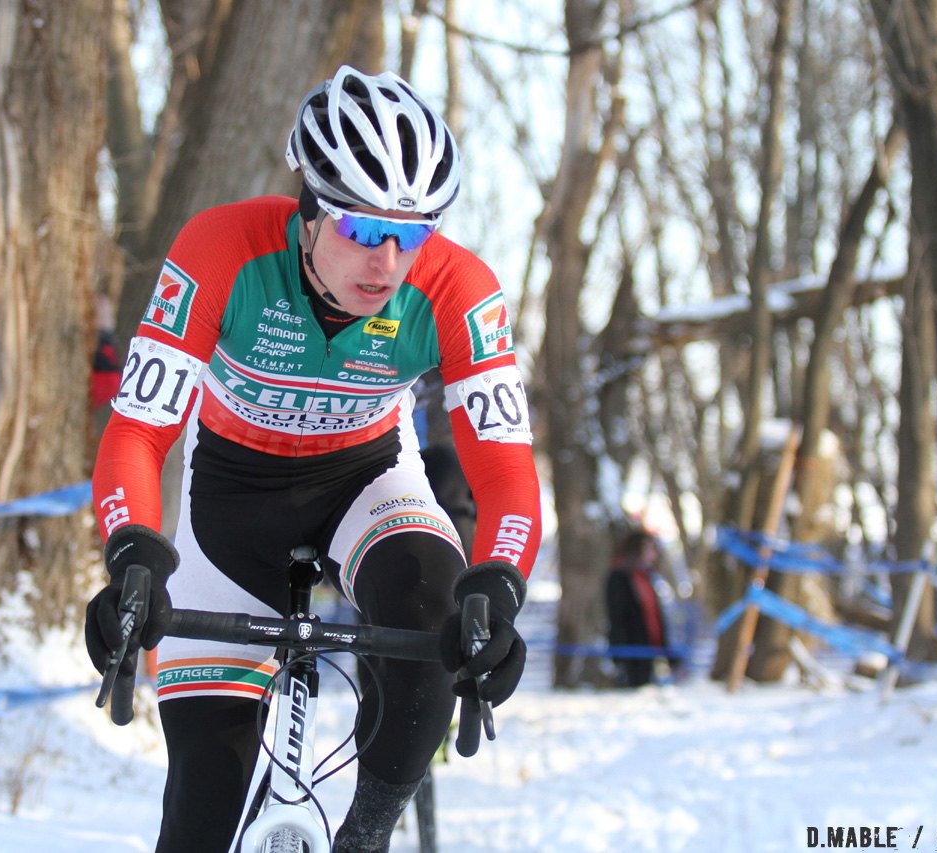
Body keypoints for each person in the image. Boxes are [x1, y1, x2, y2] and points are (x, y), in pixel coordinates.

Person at [84, 66, 541, 853]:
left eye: (415, 231)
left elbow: (505, 470)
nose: (389, 261)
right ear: (308, 212)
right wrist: (131, 555)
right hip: (228, 496)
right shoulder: (221, 248)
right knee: (203, 790)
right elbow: (137, 431)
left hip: (367, 480)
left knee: (436, 620)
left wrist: (498, 585)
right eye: (363, 230)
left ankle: (364, 838)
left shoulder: (459, 289)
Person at [605, 529, 685, 687]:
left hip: (649, 654)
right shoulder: (619, 579)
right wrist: (621, 660)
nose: (652, 555)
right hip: (631, 657)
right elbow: (619, 619)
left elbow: (655, 621)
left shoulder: (647, 579)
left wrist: (669, 656)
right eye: (647, 549)